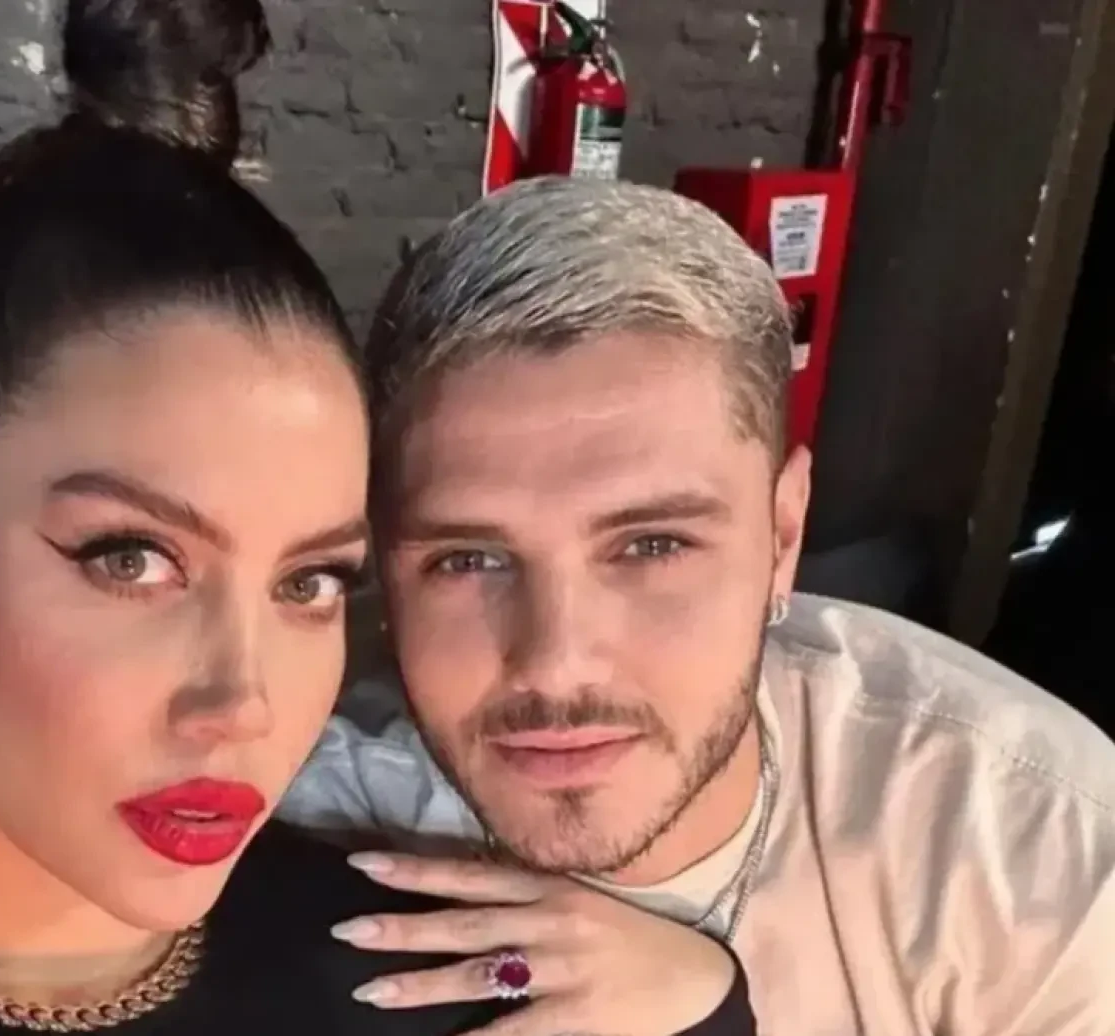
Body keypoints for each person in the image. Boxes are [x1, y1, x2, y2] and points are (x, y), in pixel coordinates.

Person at [0, 4, 753, 1034]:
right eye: (132, 559)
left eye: (307, 583)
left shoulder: (449, 980)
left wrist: (704, 999)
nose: (246, 704)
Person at [279, 176, 1115, 1034]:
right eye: (468, 559)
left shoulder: (1040, 857)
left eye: (652, 546)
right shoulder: (300, 806)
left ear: (782, 535)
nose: (558, 662)